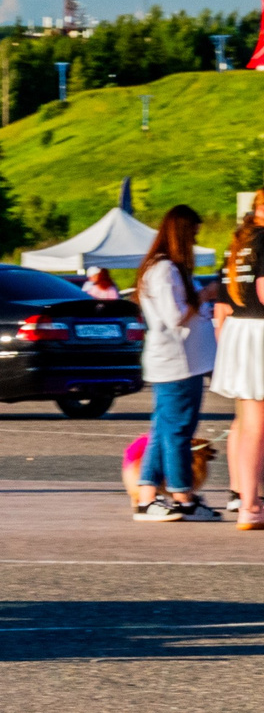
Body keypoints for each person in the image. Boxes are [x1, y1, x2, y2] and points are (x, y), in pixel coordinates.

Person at [131, 205, 217, 521]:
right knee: (178, 432)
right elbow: (174, 316)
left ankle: (147, 497)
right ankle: (183, 497)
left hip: (180, 363)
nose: (194, 243)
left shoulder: (165, 268)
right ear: (180, 234)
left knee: (163, 430)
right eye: (192, 235)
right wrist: (206, 295)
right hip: (177, 365)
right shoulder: (165, 269)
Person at [214, 203, 264, 530]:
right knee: (256, 425)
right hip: (259, 328)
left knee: (244, 423)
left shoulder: (238, 243)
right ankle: (250, 505)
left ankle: (242, 496)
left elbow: (220, 307)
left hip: (238, 331)